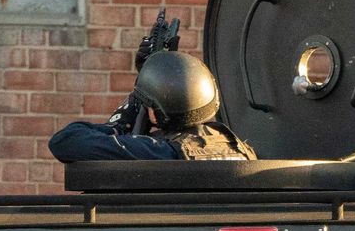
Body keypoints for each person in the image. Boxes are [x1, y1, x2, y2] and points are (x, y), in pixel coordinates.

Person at [49, 50, 255, 162]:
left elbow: (65, 141)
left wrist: (121, 122)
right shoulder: (241, 149)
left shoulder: (159, 152)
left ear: (156, 113)